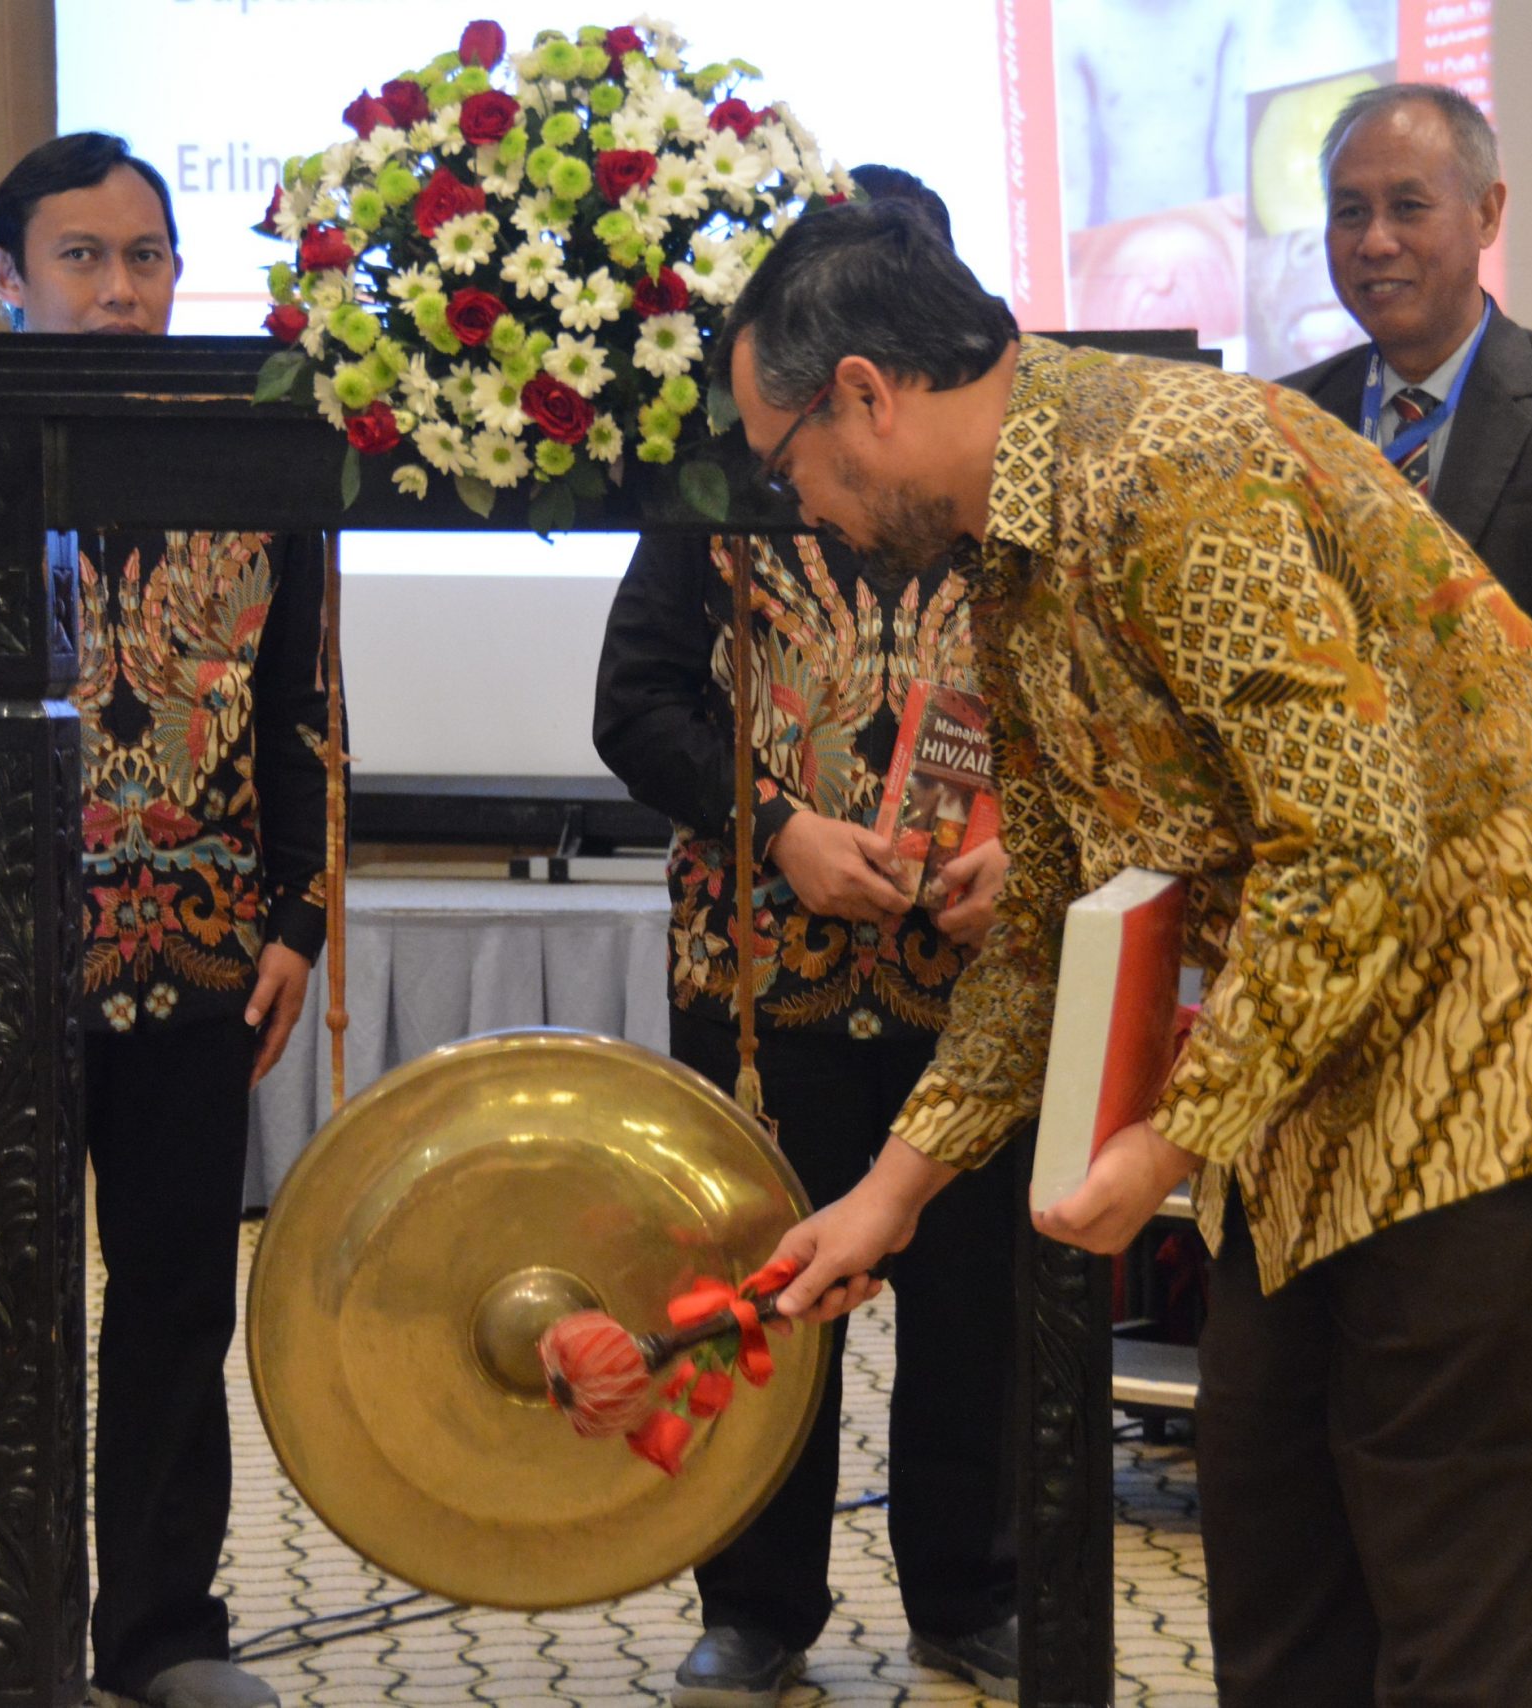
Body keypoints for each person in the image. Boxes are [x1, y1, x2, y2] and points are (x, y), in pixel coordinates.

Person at [727, 198, 1532, 1707]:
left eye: (789, 466)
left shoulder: (1168, 469)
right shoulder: (1014, 541)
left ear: (865, 395)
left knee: (1477, 1596)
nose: (802, 509)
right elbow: (1048, 918)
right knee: (1281, 1565)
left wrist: (1163, 1145)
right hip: (1321, 1060)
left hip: (1524, 1043)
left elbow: (1347, 842)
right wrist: (890, 1196)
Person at [0, 133, 329, 1708]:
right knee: (4, 1310)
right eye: (84, 260)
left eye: (147, 256)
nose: (121, 290)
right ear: (9, 280)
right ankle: (3, 1630)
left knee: (178, 1295)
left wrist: (297, 917)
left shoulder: (257, 451)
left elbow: (303, 710)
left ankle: (166, 1630)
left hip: (198, 960)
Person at [592, 164, 1022, 1708]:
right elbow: (634, 704)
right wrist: (778, 830)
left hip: (977, 981)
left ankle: (971, 1595)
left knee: (982, 1305)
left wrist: (1016, 854)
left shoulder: (1000, 482)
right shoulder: (732, 469)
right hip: (762, 976)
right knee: (758, 1290)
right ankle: (757, 1606)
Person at [1283, 83, 1532, 694]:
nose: (1376, 242)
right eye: (1350, 212)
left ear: (1487, 214)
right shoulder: (1283, 417)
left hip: (1524, 780)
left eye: (1408, 207)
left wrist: (1460, 746)